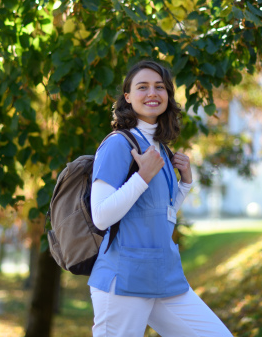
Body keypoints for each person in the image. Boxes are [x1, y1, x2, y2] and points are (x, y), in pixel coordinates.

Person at [88, 60, 233, 336]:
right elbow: (101, 216)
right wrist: (141, 177)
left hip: (164, 278)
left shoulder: (162, 150)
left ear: (168, 95)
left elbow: (161, 216)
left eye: (159, 87)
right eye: (142, 87)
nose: (152, 93)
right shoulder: (118, 144)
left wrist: (185, 184)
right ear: (128, 97)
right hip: (124, 280)